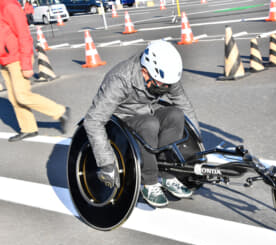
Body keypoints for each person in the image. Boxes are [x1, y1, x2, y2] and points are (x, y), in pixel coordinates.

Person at [83, 40, 200, 208]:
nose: (166, 88)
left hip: (149, 111)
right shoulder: (120, 79)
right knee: (149, 124)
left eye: (168, 85)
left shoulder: (164, 75)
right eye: (161, 85)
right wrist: (106, 164)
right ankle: (150, 182)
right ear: (145, 72)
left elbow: (184, 105)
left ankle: (166, 175)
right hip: (122, 120)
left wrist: (197, 141)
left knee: (176, 114)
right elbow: (93, 120)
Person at [0, 0, 70, 142]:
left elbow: (24, 35)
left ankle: (60, 111)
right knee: (14, 98)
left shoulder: (8, 6)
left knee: (22, 96)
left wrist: (26, 64)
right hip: (4, 59)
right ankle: (28, 128)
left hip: (17, 57)